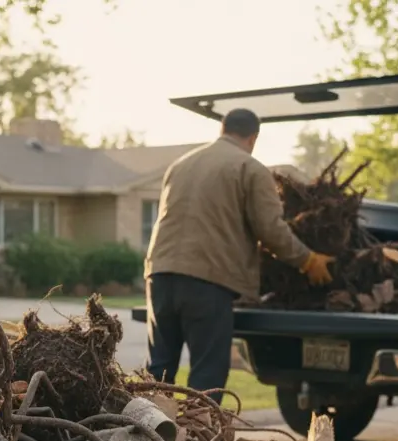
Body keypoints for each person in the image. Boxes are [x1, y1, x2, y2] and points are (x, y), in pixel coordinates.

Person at [142, 108, 334, 400]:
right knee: (207, 374)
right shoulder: (250, 168)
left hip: (159, 274)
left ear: (223, 128)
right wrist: (307, 260)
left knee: (159, 371)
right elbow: (270, 230)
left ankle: (145, 436)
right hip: (207, 280)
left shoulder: (181, 164)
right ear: (253, 137)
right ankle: (198, 439)